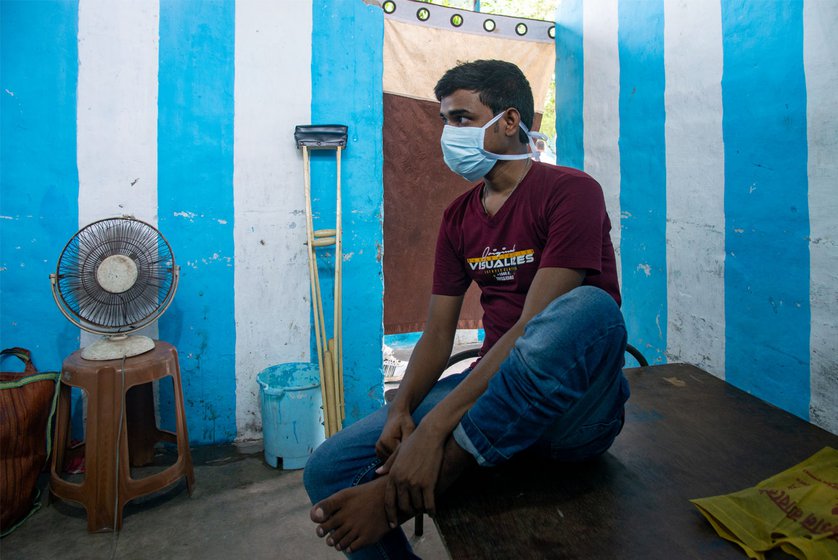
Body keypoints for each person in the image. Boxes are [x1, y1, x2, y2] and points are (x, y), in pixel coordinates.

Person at [304, 59, 629, 559]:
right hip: (495, 393)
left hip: (574, 412)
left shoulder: (571, 191)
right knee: (326, 469)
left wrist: (434, 430)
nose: (448, 133)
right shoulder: (458, 218)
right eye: (444, 121)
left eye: (461, 118)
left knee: (589, 309)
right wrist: (403, 409)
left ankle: (426, 476)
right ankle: (454, 452)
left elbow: (530, 328)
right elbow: (437, 335)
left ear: (509, 121)